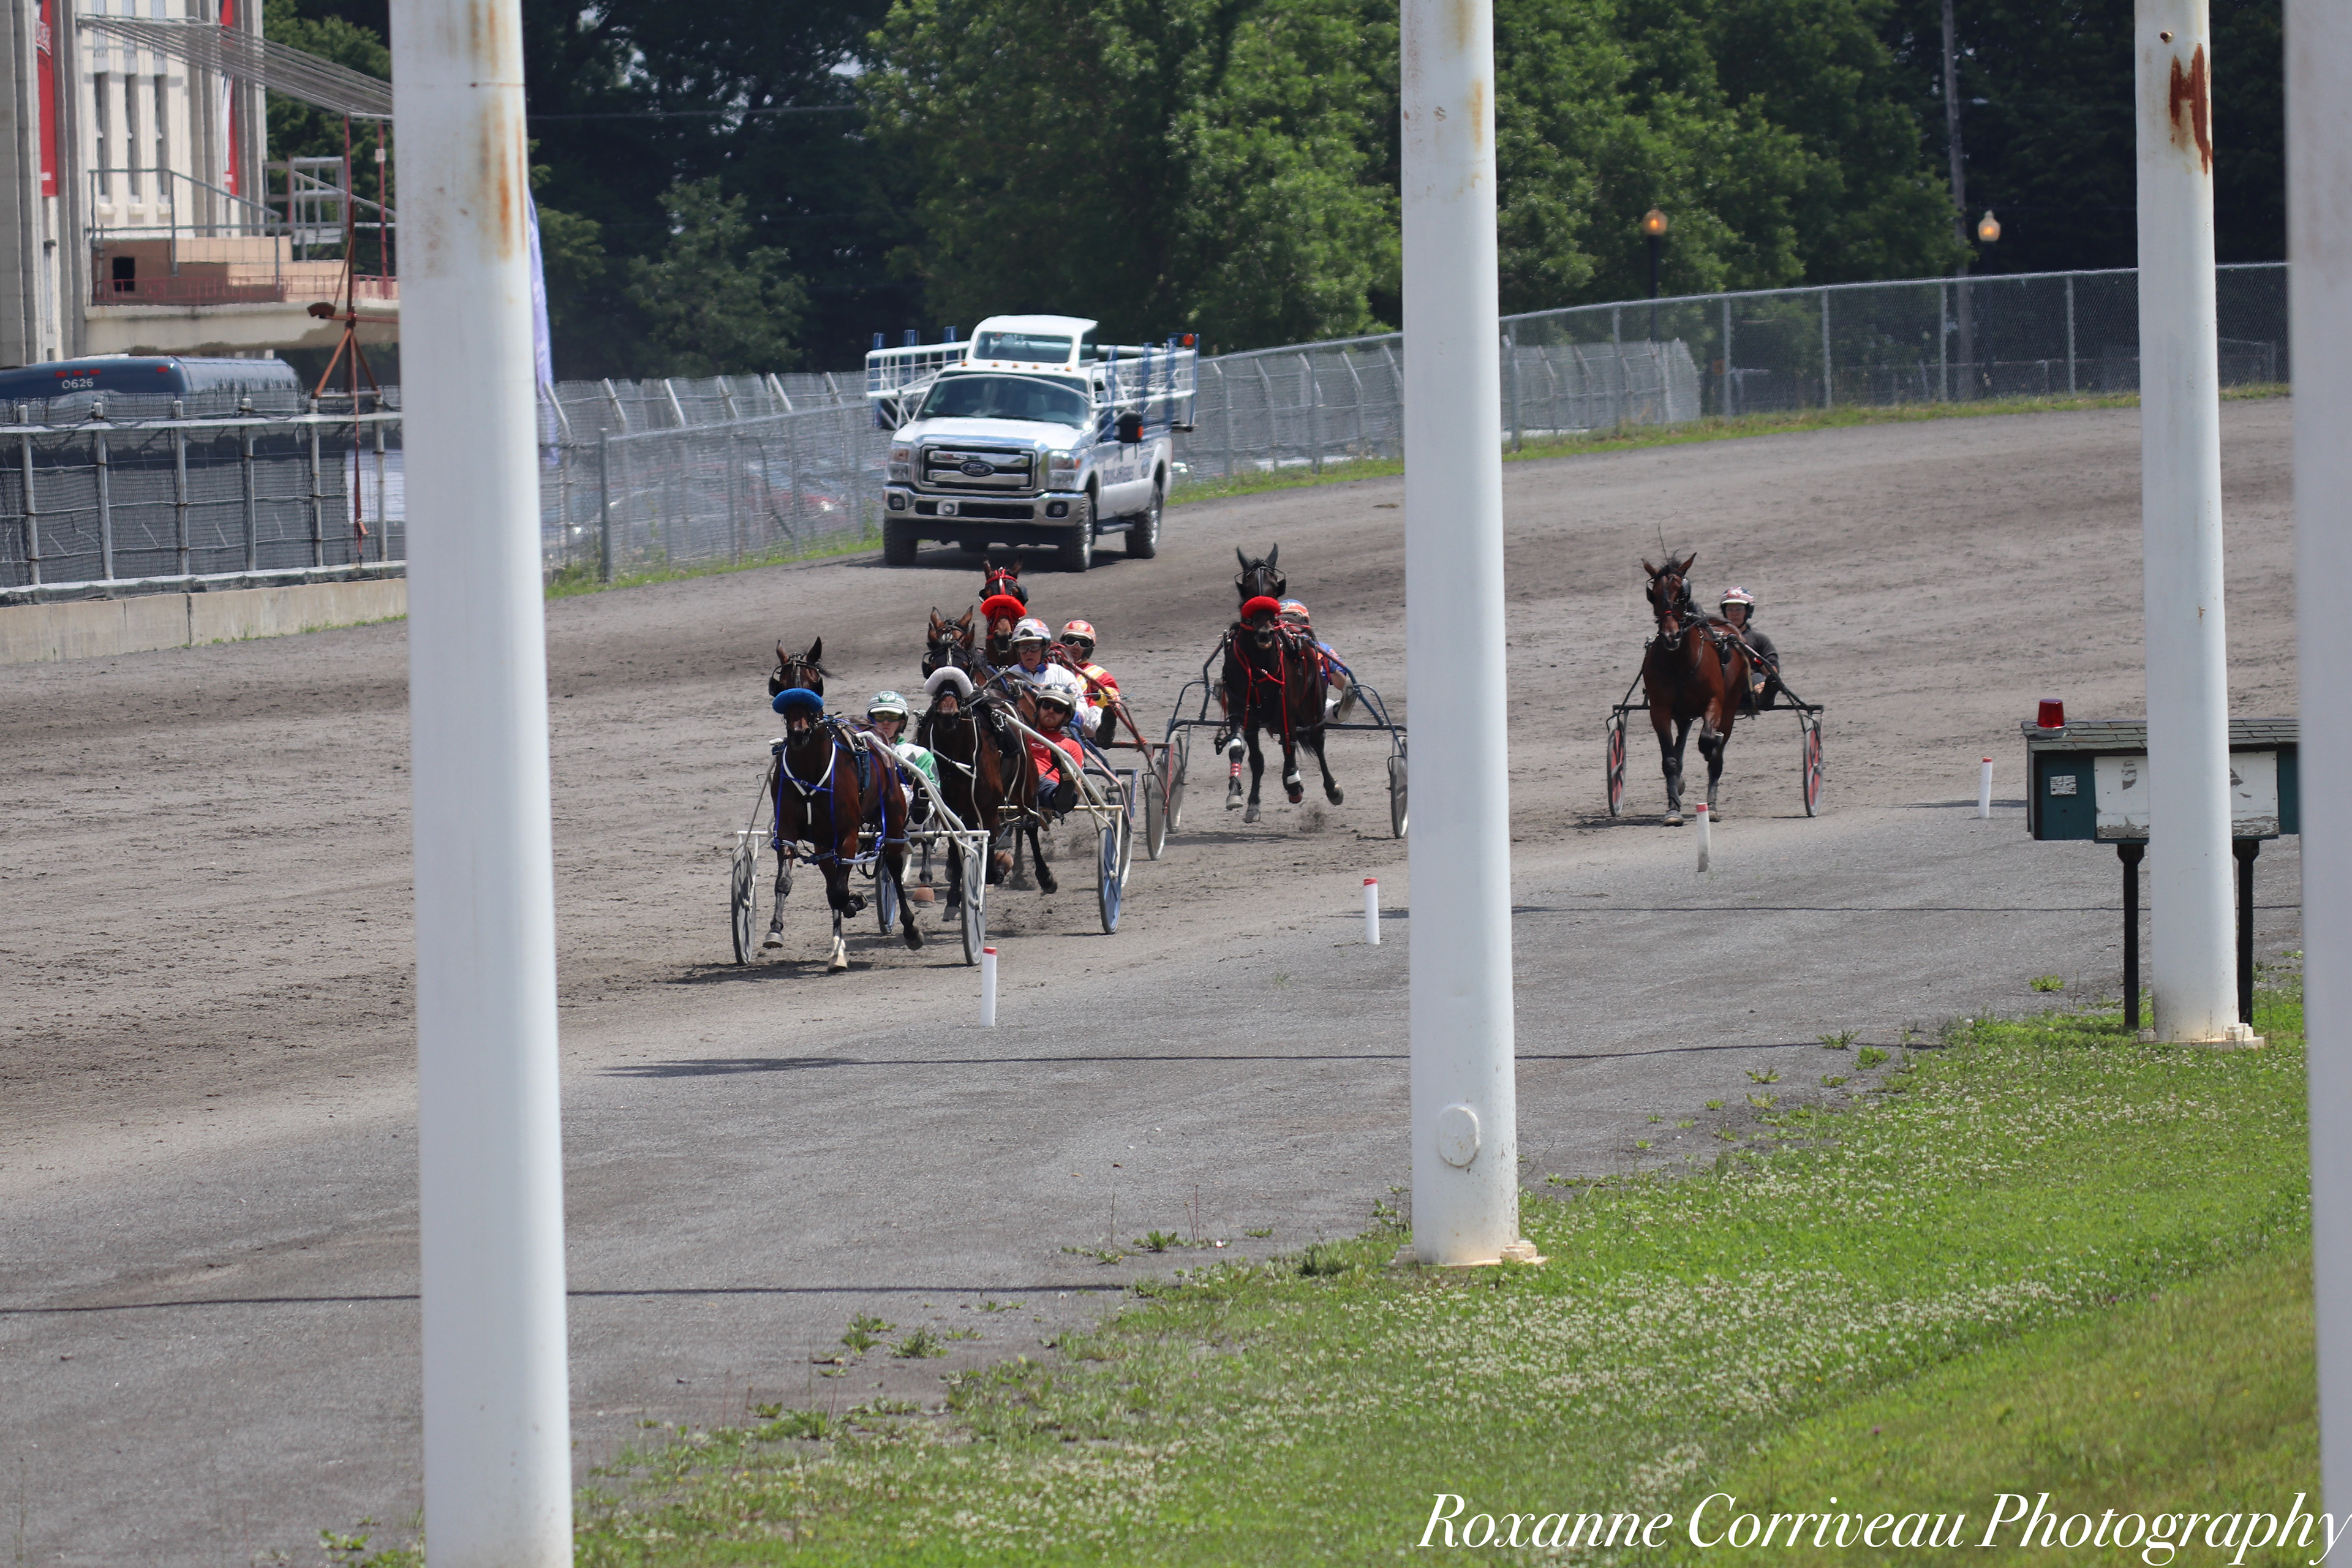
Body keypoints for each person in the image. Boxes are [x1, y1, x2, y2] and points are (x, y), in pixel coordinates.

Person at [1005, 617, 1094, 729]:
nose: (1028, 653)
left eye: (1034, 647)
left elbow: (1081, 707)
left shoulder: (1063, 674)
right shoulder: (1007, 676)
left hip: (1058, 732)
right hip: (1020, 734)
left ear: (1045, 647)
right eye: (1023, 648)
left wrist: (1069, 723)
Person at [1277, 597, 1358, 721]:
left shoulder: (1322, 649)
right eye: (1284, 620)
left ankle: (1340, 708)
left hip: (1313, 704)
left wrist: (1332, 669)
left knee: (1327, 709)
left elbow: (1342, 685)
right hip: (1279, 703)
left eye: (1293, 619)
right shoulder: (1272, 651)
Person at [865, 690, 938, 820]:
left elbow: (937, 792)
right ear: (871, 721)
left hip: (911, 817)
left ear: (902, 722)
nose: (886, 722)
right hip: (868, 810)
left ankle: (919, 807)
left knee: (908, 793)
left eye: (892, 717)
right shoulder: (862, 752)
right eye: (880, 716)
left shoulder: (919, 754)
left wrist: (912, 781)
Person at [1057, 619, 1123, 744]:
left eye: (1083, 643)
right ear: (1063, 643)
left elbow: (1115, 699)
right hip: (1052, 711)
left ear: (1089, 648)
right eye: (1071, 641)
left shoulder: (1098, 673)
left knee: (1096, 711)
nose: (1076, 647)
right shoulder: (1051, 667)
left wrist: (1098, 695)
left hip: (1084, 723)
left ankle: (1104, 733)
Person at [1718, 587, 1782, 710]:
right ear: (1724, 612)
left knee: (1756, 677)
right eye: (1730, 609)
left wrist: (1756, 660)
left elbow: (1773, 673)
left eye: (1739, 609)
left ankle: (1764, 697)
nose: (1734, 613)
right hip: (1721, 685)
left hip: (1748, 688)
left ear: (1748, 611)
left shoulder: (1759, 639)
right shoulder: (1715, 638)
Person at [1027, 685, 1085, 815]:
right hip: (1016, 776)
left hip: (1043, 784)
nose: (1051, 711)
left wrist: (1072, 793)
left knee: (1044, 786)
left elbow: (1078, 786)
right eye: (1047, 705)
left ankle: (1063, 797)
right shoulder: (1022, 733)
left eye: (1058, 709)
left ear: (1066, 716)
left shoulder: (1071, 745)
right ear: (1039, 708)